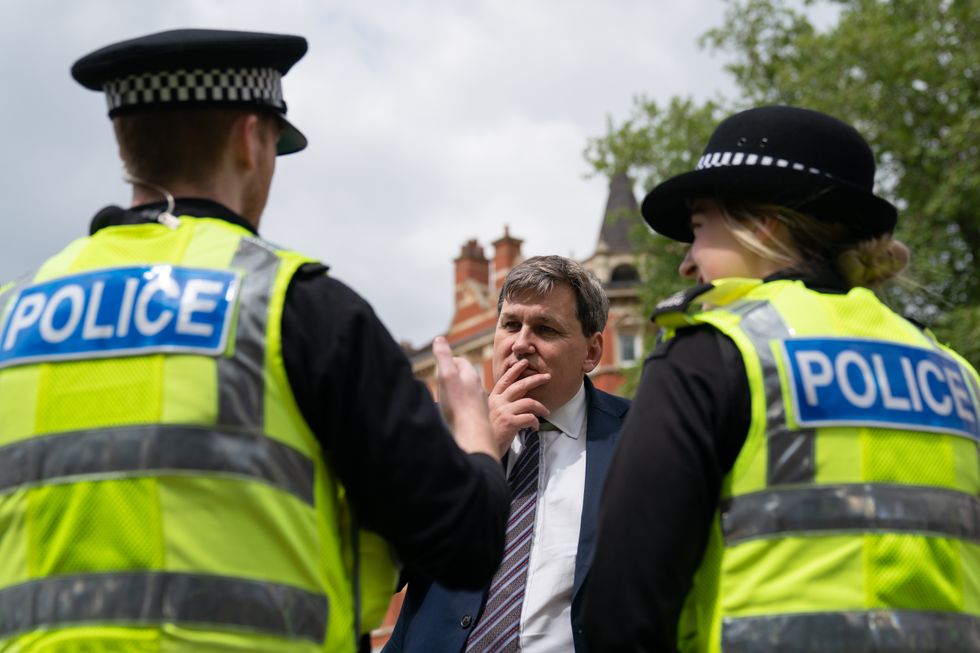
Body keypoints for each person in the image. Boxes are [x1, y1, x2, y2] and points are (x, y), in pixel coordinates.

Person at [0, 29, 510, 653]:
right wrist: (475, 428)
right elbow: (465, 543)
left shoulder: (12, 315)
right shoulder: (300, 309)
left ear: (128, 152)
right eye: (273, 144)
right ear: (250, 141)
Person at [581, 104, 980, 652]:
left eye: (699, 228)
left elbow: (622, 609)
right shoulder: (956, 376)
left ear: (762, 224)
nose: (687, 263)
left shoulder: (714, 353)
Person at [385, 255, 631, 653]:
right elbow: (382, 565)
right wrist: (478, 449)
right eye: (511, 324)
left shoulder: (636, 436)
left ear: (592, 352)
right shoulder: (437, 430)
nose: (520, 344)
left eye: (545, 329)